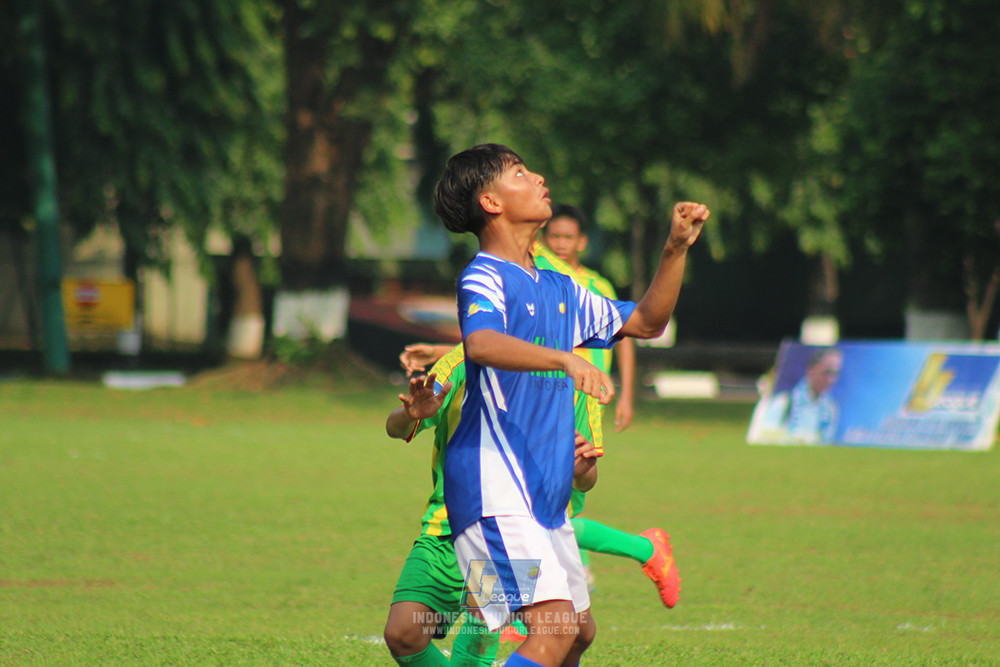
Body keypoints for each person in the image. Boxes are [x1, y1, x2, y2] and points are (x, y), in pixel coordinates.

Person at [432, 143, 709, 667]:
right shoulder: (485, 274)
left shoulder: (562, 287)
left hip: (545, 498)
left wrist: (675, 248)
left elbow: (647, 323)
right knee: (551, 632)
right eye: (519, 172)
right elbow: (483, 344)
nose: (538, 176)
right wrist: (564, 359)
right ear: (491, 202)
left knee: (577, 635)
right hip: (495, 490)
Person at [383, 346, 600, 666]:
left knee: (491, 627)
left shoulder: (571, 372)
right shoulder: (462, 361)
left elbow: (587, 476)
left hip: (512, 525)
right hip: (446, 522)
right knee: (403, 633)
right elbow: (396, 427)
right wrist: (409, 414)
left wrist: (579, 469)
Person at [534, 204, 678, 608]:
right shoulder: (528, 267)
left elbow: (629, 333)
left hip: (582, 397)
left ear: (581, 242)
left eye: (567, 237)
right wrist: (448, 357)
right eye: (553, 235)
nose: (559, 244)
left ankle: (521, 609)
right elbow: (487, 340)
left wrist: (626, 393)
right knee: (538, 513)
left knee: (553, 511)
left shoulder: (594, 285)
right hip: (536, 391)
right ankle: (594, 567)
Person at [750, 347, 843, 445]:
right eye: (827, 373)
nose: (830, 380)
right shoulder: (784, 402)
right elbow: (763, 437)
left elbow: (826, 443)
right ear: (811, 370)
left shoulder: (830, 409)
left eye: (835, 374)